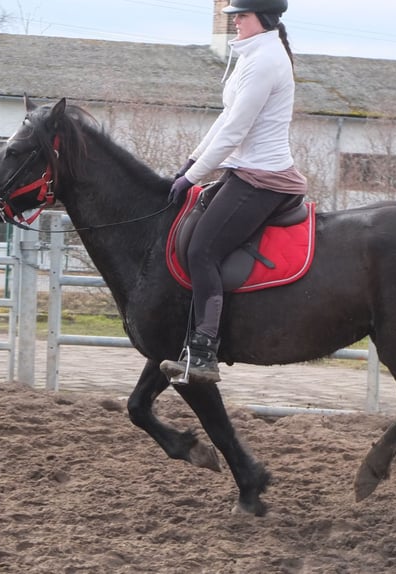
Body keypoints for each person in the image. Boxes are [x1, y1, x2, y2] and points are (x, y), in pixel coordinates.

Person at [160, 0, 307, 384]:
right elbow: (225, 118)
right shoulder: (253, 55)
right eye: (234, 17)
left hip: (263, 177)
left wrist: (194, 177)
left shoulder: (265, 60)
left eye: (240, 16)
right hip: (243, 170)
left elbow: (235, 130)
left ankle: (205, 350)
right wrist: (191, 163)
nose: (235, 23)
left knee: (202, 249)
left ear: (261, 17)